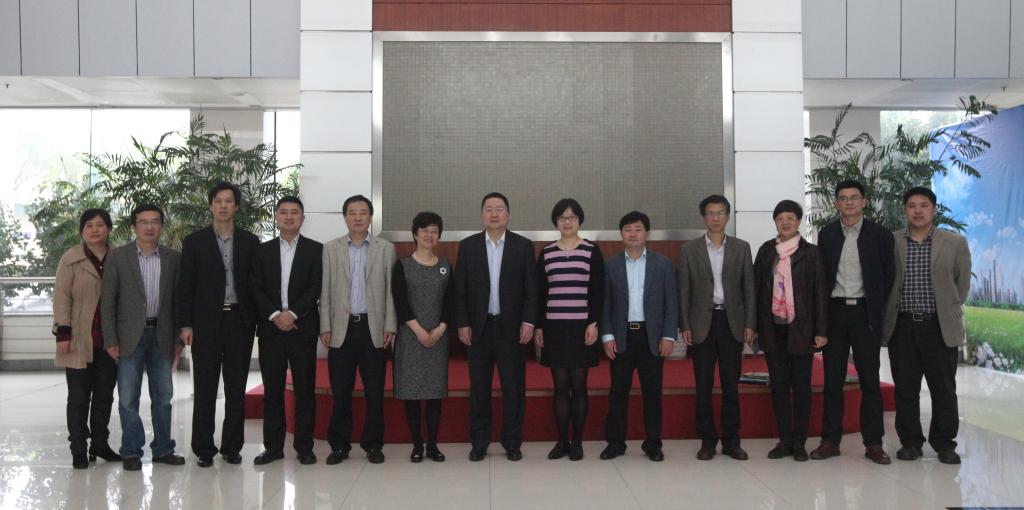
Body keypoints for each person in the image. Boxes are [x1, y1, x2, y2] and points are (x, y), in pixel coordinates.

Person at [881, 187, 971, 465]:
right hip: (903, 326)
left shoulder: (954, 242)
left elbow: (961, 285)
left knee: (943, 388)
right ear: (904, 210)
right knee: (905, 388)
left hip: (938, 326)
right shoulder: (891, 241)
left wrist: (945, 309)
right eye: (911, 205)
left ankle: (944, 443)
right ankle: (911, 442)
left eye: (923, 205)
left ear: (934, 209)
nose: (917, 210)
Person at [810, 180, 895, 465]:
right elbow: (822, 278)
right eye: (843, 198)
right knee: (832, 380)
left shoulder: (880, 235)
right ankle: (830, 441)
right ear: (836, 203)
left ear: (864, 202)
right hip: (835, 313)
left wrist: (877, 310)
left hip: (864, 314)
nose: (849, 203)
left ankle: (873, 443)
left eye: (854, 197)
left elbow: (888, 276)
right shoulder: (827, 234)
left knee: (870, 380)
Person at [178, 181, 260, 467]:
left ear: (236, 206)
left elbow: (256, 284)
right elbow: (185, 286)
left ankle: (232, 447)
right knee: (205, 388)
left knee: (236, 388)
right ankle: (203, 448)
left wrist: (255, 321)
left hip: (239, 321)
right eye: (218, 201)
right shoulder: (194, 242)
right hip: (205, 324)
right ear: (211, 205)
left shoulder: (250, 241)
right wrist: (185, 324)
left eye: (229, 201)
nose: (223, 206)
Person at [454, 192, 538, 462]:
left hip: (511, 329)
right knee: (479, 389)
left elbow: (531, 289)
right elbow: (460, 290)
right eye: (489, 209)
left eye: (499, 209)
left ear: (508, 215)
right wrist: (463, 323)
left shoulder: (522, 246)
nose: (494, 214)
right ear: (482, 215)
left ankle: (512, 442)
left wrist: (529, 322)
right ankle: (479, 442)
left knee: (514, 388)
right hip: (478, 329)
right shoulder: (468, 246)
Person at [101, 204, 185, 471]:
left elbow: (179, 302)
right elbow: (108, 302)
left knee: (163, 397)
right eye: (143, 222)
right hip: (128, 337)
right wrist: (110, 339)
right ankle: (131, 451)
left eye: (155, 221)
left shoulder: (173, 258)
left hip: (163, 335)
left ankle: (163, 449)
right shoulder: (118, 257)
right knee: (128, 399)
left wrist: (178, 340)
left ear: (161, 225)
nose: (149, 227)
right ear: (134, 226)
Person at [320, 194, 397, 465]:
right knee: (340, 391)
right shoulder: (331, 249)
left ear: (370, 217)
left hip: (372, 328)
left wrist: (390, 325)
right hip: (340, 329)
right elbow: (325, 291)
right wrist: (325, 325)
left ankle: (373, 445)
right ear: (345, 217)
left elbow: (391, 291)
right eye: (352, 213)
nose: (357, 218)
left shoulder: (385, 248)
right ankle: (339, 445)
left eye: (363, 212)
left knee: (374, 392)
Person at [678, 195, 756, 461]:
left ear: (728, 216)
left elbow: (749, 288)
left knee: (731, 384)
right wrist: (685, 324)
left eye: (720, 212)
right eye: (710, 213)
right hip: (702, 324)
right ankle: (707, 441)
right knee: (703, 385)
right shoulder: (689, 250)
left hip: (731, 322)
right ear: (704, 217)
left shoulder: (741, 248)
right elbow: (684, 290)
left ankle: (732, 441)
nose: (715, 217)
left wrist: (750, 323)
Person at [599, 211, 678, 462]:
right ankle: (615, 443)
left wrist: (669, 336)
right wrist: (607, 335)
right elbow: (604, 305)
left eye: (638, 229)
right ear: (621, 234)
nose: (633, 234)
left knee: (652, 393)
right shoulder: (610, 265)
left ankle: (653, 444)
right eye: (628, 229)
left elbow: (671, 304)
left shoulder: (663, 264)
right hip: (621, 336)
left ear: (647, 233)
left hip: (651, 337)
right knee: (617, 392)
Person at [753, 200, 828, 462]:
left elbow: (820, 292)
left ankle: (800, 441)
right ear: (775, 222)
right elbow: (756, 290)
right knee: (779, 385)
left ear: (799, 221)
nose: (785, 222)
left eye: (790, 218)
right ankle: (784, 439)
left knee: (802, 386)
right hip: (772, 327)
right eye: (780, 218)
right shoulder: (766, 251)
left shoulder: (811, 253)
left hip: (802, 328)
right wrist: (753, 326)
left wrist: (821, 329)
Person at [250, 196, 323, 466]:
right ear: (276, 217)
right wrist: (275, 315)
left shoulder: (316, 250)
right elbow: (254, 286)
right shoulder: (262, 251)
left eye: (294, 212)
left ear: (303, 218)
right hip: (271, 330)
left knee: (304, 390)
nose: (289, 217)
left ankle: (304, 447)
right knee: (272, 391)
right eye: (284, 212)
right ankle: (273, 447)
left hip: (302, 328)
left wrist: (292, 314)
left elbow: (315, 286)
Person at [535, 198, 605, 461]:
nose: (567, 222)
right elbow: (541, 293)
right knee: (560, 387)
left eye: (572, 217)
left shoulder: (591, 250)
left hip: (581, 329)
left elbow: (598, 291)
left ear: (579, 221)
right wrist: (539, 325)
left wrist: (594, 323)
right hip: (554, 328)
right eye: (562, 217)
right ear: (556, 221)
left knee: (580, 386)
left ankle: (577, 442)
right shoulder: (547, 252)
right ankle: (562, 441)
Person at [53, 209, 121, 469]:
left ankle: (100, 444)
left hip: (110, 341)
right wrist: (63, 333)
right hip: (78, 338)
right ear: (82, 230)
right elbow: (61, 297)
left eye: (100, 225)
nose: (95, 230)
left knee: (105, 395)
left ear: (109, 230)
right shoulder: (70, 259)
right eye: (89, 225)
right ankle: (78, 448)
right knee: (79, 397)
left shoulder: (119, 258)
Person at [392, 211, 453, 463]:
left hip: (438, 338)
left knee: (435, 393)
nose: (430, 235)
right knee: (412, 392)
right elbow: (400, 302)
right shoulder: (402, 265)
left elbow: (450, 302)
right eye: (425, 230)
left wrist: (439, 330)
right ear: (415, 234)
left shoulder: (445, 267)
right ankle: (417, 444)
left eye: (435, 231)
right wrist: (419, 331)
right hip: (410, 338)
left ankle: (433, 445)